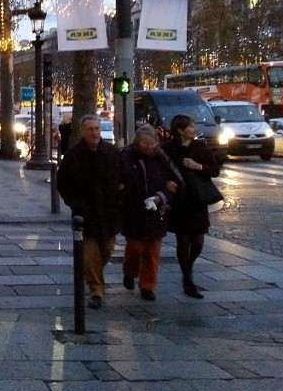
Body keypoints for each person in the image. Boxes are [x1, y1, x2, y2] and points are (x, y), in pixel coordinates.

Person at [56, 115, 123, 310]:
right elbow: (63, 183)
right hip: (85, 213)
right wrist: (75, 204)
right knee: (90, 253)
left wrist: (121, 192)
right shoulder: (73, 155)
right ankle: (96, 290)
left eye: (96, 129)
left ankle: (93, 276)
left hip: (109, 212)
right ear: (82, 132)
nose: (94, 132)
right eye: (90, 129)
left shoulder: (111, 152)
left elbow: (124, 175)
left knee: (107, 250)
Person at [161, 114, 221, 299]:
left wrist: (198, 166)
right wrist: (166, 183)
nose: (194, 128)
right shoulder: (167, 148)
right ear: (180, 130)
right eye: (190, 126)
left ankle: (189, 266)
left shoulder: (200, 146)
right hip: (180, 200)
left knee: (198, 242)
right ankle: (187, 279)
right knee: (183, 240)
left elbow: (215, 170)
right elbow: (160, 170)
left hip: (197, 200)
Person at [120, 124, 181, 302]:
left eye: (152, 144)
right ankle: (130, 272)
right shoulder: (126, 156)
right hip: (133, 210)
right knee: (135, 248)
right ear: (137, 143)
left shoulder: (162, 158)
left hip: (156, 210)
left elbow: (174, 182)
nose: (149, 148)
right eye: (145, 145)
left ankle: (148, 285)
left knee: (152, 251)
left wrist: (161, 196)